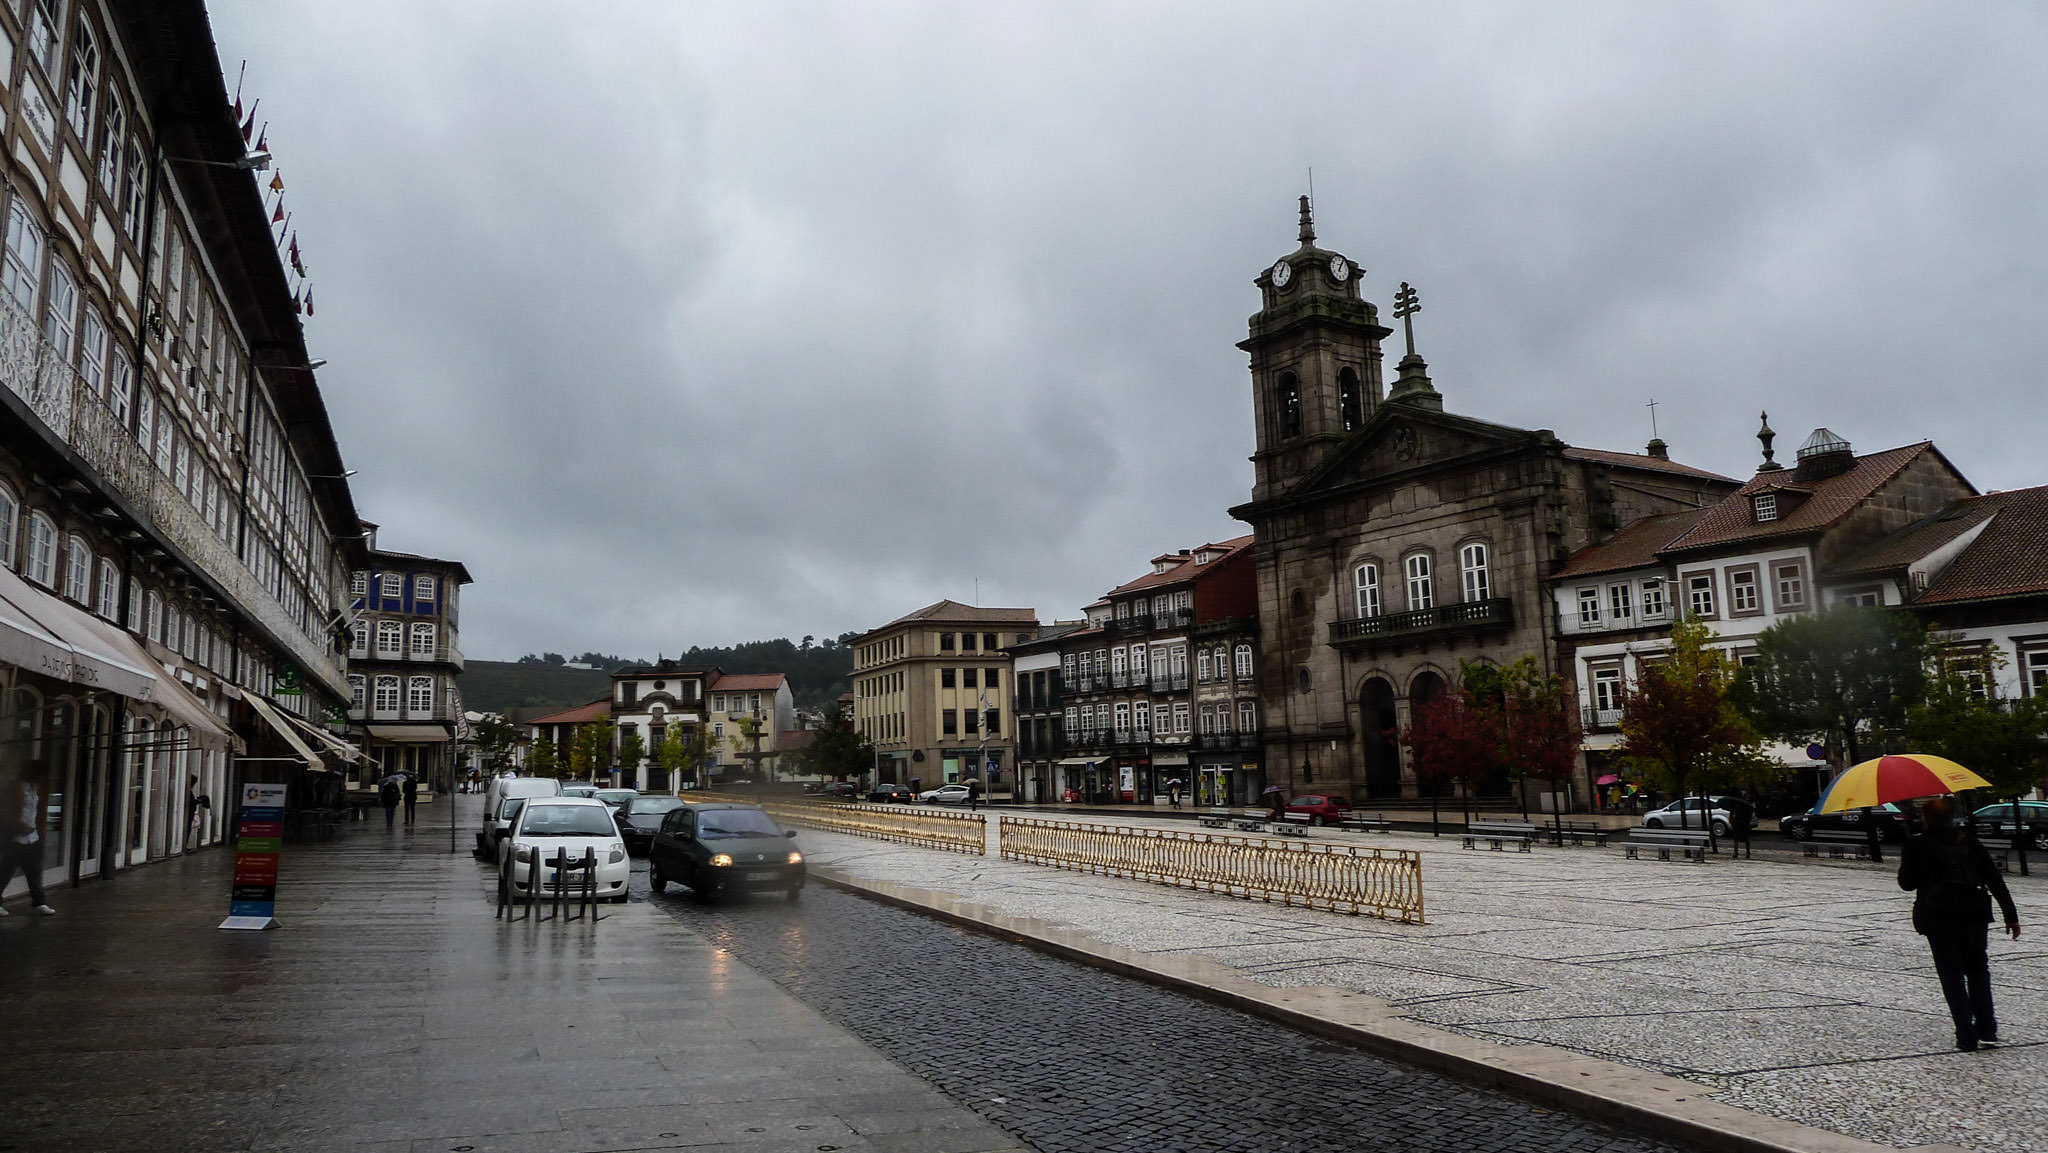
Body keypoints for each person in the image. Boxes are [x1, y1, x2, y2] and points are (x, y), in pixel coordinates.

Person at [1898, 797, 2021, 1051]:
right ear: (1951, 818)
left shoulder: (1917, 845)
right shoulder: (1969, 842)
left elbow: (1907, 883)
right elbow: (1993, 877)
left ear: (1926, 819)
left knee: (1951, 975)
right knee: (1978, 971)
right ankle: (1987, 1029)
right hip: (1974, 915)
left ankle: (1965, 1034)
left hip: (1938, 917)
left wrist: (1911, 851)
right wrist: (2011, 915)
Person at [1, 761, 57, 915]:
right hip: (16, 838)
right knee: (6, 872)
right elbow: (6, 812)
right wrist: (19, 826)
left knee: (34, 872)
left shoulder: (33, 789)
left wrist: (38, 830)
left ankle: (39, 902)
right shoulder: (17, 788)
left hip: (32, 838)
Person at [186, 774, 212, 850]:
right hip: (189, 813)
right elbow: (190, 801)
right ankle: (185, 845)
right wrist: (199, 801)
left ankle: (186, 844)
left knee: (189, 828)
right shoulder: (188, 791)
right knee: (188, 828)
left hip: (190, 812)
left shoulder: (189, 791)